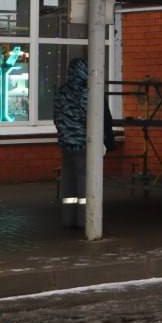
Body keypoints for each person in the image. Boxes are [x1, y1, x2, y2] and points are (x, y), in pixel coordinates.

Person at [53, 57, 114, 229]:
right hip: (84, 143)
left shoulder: (61, 92)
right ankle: (85, 220)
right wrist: (102, 140)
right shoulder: (87, 93)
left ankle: (68, 218)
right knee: (85, 181)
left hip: (66, 144)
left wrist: (65, 133)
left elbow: (56, 117)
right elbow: (94, 119)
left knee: (68, 182)